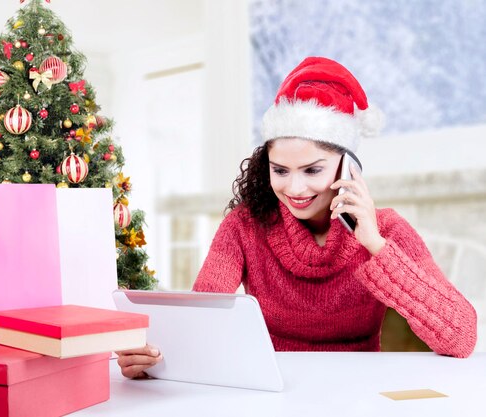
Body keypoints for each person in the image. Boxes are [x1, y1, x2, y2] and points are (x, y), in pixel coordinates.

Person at [116, 56, 477, 379]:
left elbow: (461, 336)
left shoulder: (387, 229)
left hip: (361, 391)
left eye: (312, 170)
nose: (295, 188)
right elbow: (203, 321)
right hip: (274, 386)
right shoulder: (244, 226)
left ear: (348, 167)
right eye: (281, 170)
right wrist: (153, 361)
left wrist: (375, 245)